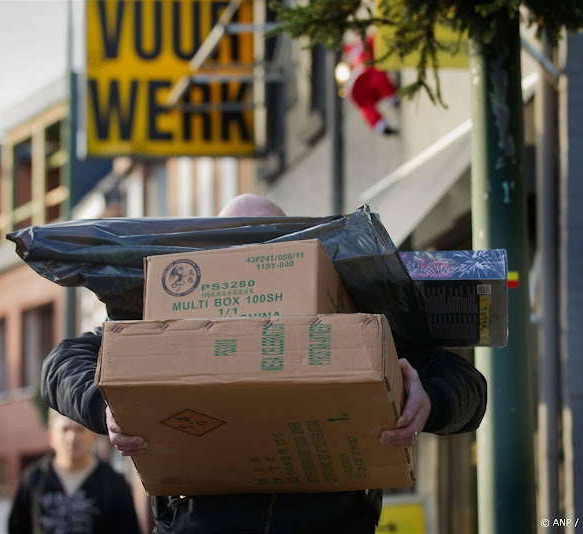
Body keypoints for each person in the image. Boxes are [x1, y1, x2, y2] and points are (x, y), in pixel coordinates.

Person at [41, 194, 487, 533]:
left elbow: (467, 386)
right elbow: (62, 363)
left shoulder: (345, 313)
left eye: (260, 244)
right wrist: (107, 408)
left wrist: (431, 399)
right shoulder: (167, 318)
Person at [8, 409, 140, 534]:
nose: (72, 437)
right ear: (51, 437)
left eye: (80, 430)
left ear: (93, 436)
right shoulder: (33, 480)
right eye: (65, 430)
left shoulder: (115, 484)